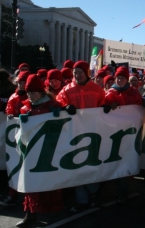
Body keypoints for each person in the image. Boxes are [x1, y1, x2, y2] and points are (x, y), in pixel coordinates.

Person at [56, 61, 106, 212]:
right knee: (77, 166)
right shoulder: (67, 89)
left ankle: (94, 195)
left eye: (80, 72)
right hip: (74, 134)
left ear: (87, 74)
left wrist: (106, 107)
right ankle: (81, 199)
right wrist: (65, 106)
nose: (77, 75)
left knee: (92, 165)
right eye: (75, 72)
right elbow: (58, 102)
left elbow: (104, 102)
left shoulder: (98, 90)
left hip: (94, 133)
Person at [15, 74, 64, 227]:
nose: (30, 96)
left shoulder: (53, 105)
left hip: (48, 150)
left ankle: (52, 213)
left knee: (49, 182)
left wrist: (63, 112)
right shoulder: (25, 107)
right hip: (30, 150)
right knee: (30, 182)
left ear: (41, 92)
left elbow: (66, 123)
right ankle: (30, 213)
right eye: (28, 93)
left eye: (33, 93)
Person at [104, 66, 142, 204]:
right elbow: (102, 108)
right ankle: (118, 191)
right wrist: (107, 107)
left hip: (130, 133)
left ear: (127, 79)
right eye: (118, 77)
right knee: (115, 161)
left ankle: (123, 192)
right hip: (113, 134)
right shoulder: (110, 93)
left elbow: (139, 108)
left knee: (125, 162)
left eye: (122, 78)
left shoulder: (134, 93)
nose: (120, 80)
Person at [0, 71, 30, 207]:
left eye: (24, 83)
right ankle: (12, 194)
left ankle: (28, 199)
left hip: (28, 137)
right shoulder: (13, 96)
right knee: (14, 165)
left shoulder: (33, 95)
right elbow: (9, 110)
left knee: (27, 167)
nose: (21, 85)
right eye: (20, 82)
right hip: (15, 136)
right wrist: (10, 115)